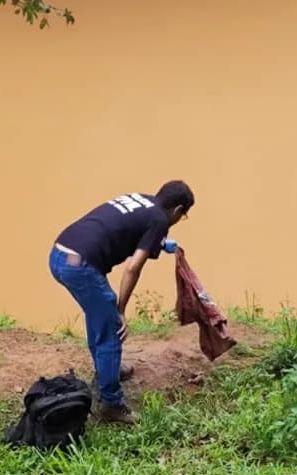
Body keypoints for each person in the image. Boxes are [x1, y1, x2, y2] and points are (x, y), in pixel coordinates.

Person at [49, 181, 194, 425]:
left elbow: (124, 228)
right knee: (111, 324)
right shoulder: (160, 220)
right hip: (79, 267)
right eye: (183, 216)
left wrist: (162, 243)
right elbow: (133, 268)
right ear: (179, 211)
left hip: (60, 255)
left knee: (99, 315)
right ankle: (111, 404)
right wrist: (122, 311)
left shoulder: (141, 199)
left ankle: (108, 370)